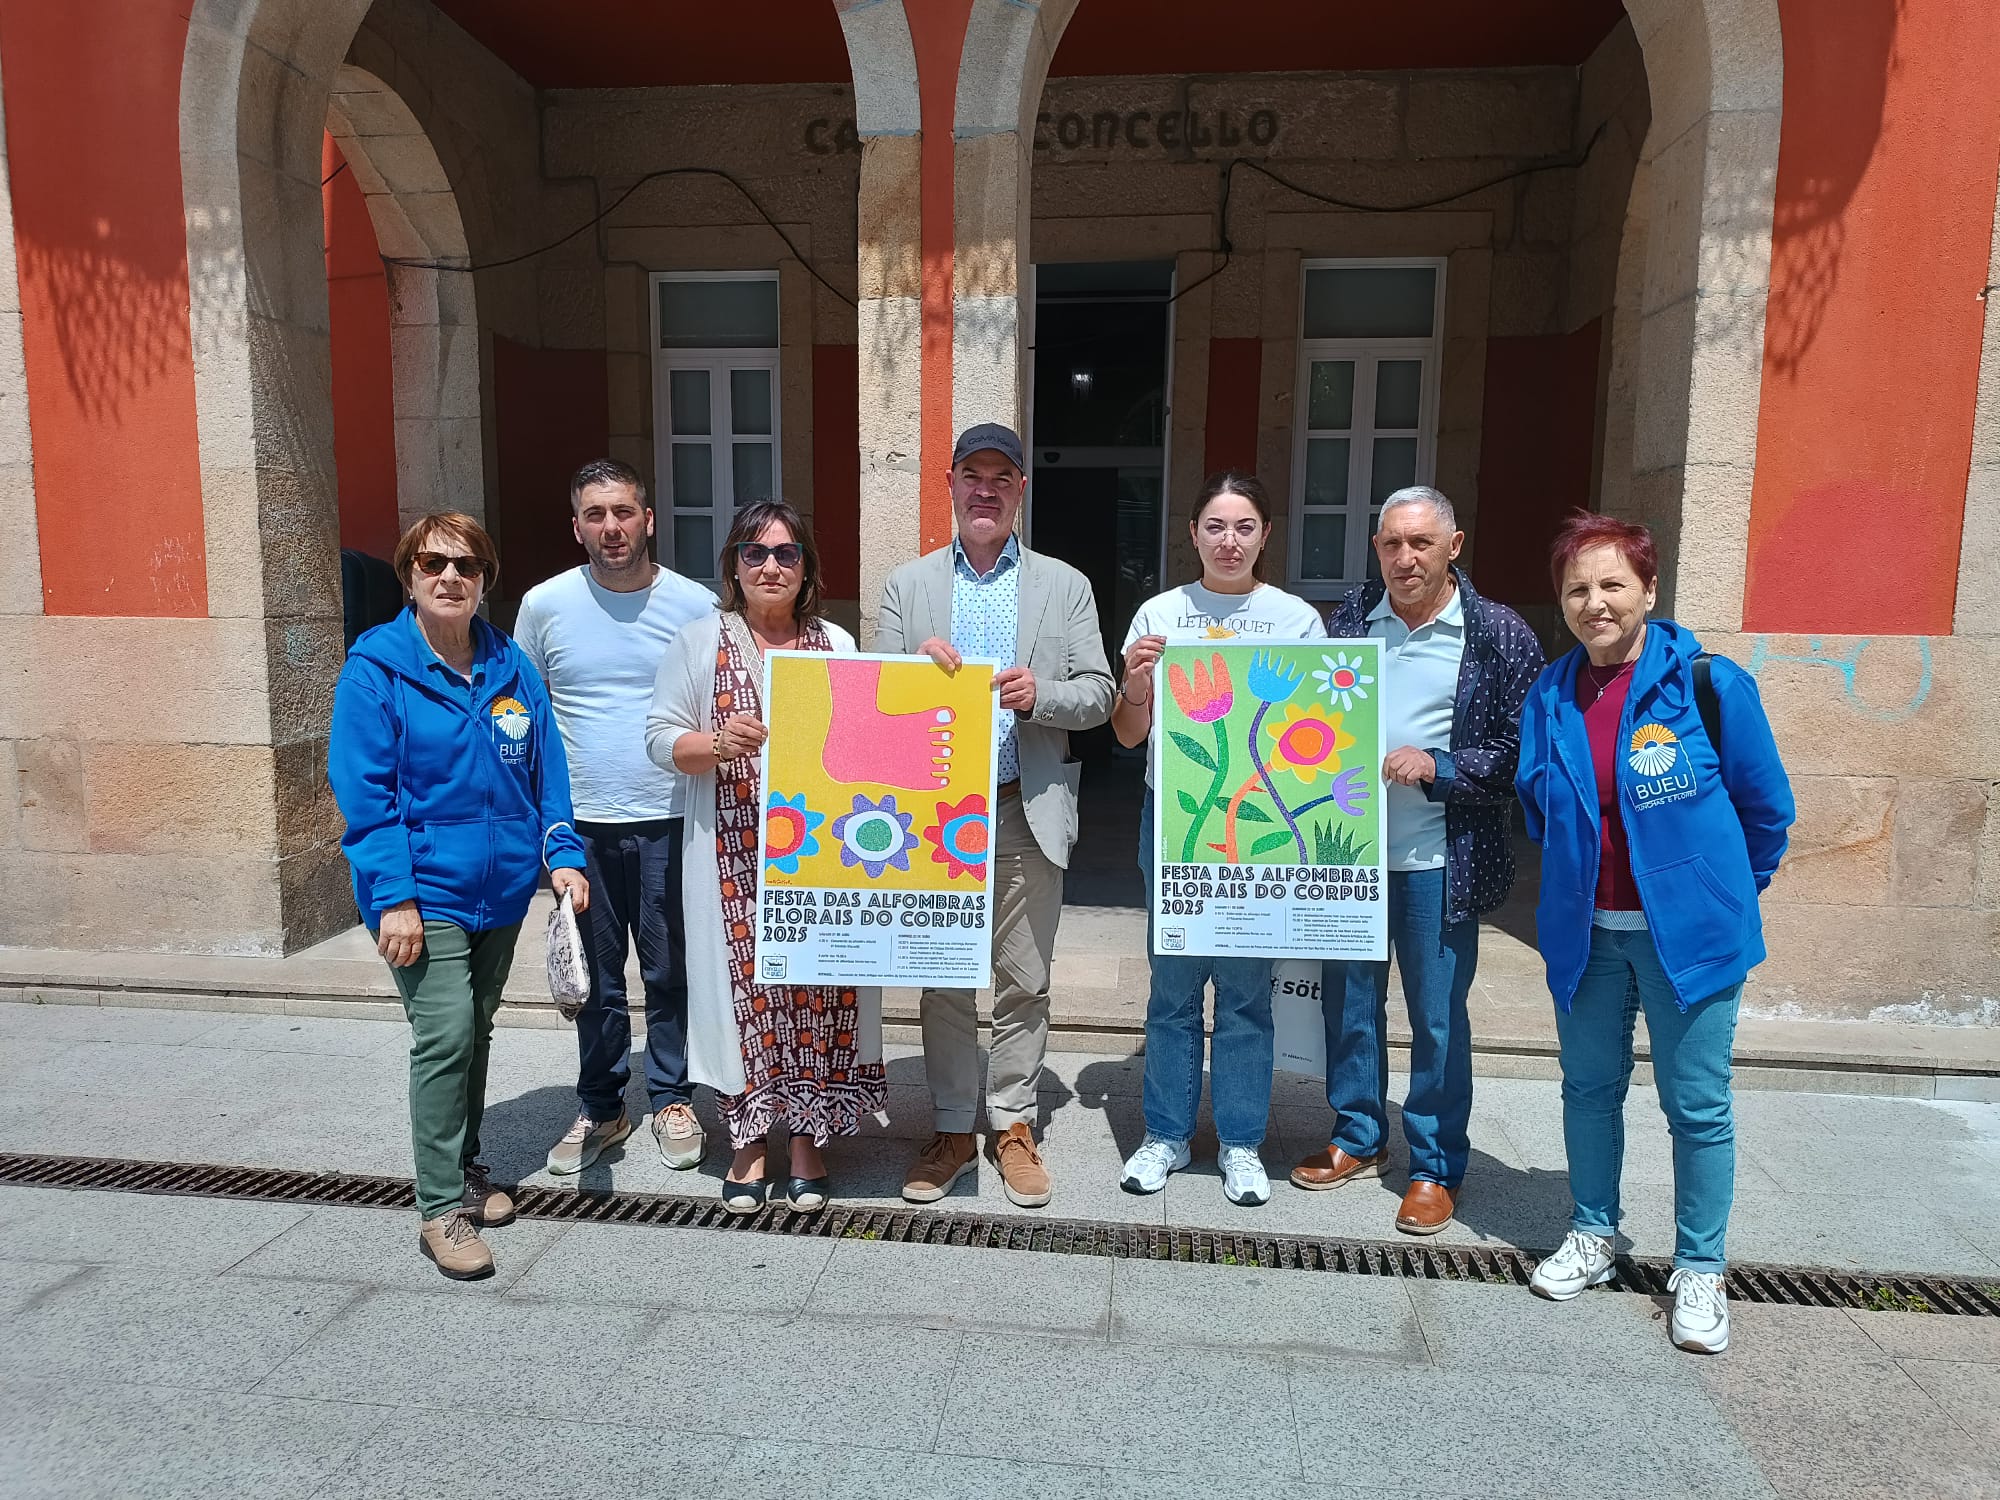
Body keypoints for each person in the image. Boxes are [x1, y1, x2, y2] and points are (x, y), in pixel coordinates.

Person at [1517, 513, 1793, 1355]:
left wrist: (1716, 897)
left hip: (1691, 944)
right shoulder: (1551, 692)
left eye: (1611, 585)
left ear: (1648, 590)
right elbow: (1538, 802)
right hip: (1588, 937)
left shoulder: (1708, 684)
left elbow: (1766, 810)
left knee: (1697, 1106)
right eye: (1576, 588)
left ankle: (1701, 1266)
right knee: (1588, 1089)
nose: (1594, 602)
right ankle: (1594, 1234)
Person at [330, 512, 589, 1280]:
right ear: (409, 575)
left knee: (474, 1030)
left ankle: (467, 1168)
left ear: (485, 579)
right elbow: (366, 795)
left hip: (500, 890)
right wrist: (396, 897)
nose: (451, 578)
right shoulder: (376, 670)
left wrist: (562, 855)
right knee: (443, 1034)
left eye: (467, 566)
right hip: (421, 892)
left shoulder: (512, 667)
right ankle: (440, 1207)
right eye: (434, 564)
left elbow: (548, 775)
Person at [876, 422, 1115, 1209]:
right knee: (943, 980)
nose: (986, 489)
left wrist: (1037, 694)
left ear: (1021, 490)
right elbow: (870, 698)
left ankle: (1012, 1123)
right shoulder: (906, 587)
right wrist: (912, 678)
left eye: (1001, 477)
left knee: (1024, 978)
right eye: (972, 475)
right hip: (931, 819)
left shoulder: (1063, 583)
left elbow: (1100, 694)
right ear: (949, 484)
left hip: (1023, 807)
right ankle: (950, 1126)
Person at [1294, 487, 1544, 1236]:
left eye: (1421, 544)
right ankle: (1360, 1137)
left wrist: (1438, 765)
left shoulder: (1497, 633)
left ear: (1454, 545)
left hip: (1440, 861)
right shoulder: (1346, 622)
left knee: (1437, 1019)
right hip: (1352, 856)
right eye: (1392, 544)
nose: (1405, 558)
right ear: (1376, 549)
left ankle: (1436, 1166)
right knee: (1351, 1007)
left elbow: (1522, 750)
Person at [645, 500, 887, 1213]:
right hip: (731, 861)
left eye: (786, 553)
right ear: (734, 566)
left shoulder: (837, 645)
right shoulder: (699, 641)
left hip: (821, 863)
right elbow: (660, 739)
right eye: (755, 553)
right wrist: (715, 743)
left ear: (806, 567)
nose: (771, 565)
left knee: (818, 993)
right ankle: (749, 1143)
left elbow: (872, 741)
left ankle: (809, 1138)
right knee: (740, 996)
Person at [1111, 472, 1327, 1206]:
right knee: (1172, 991)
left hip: (1258, 831)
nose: (1228, 540)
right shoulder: (1159, 613)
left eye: (1243, 526)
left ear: (1266, 534)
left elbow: (1318, 735)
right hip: (1175, 825)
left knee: (1244, 994)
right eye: (1214, 526)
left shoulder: (1296, 620)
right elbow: (1129, 732)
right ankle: (1165, 1134)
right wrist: (1136, 683)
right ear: (1194, 533)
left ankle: (1240, 1142)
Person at [515, 460, 718, 1179]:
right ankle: (602, 1106)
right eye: (595, 515)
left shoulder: (697, 605)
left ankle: (671, 1096)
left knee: (669, 970)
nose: (611, 528)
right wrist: (539, 826)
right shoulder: (543, 606)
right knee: (595, 979)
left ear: (649, 519)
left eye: (624, 512)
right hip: (582, 831)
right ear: (576, 526)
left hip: (672, 820)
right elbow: (527, 717)